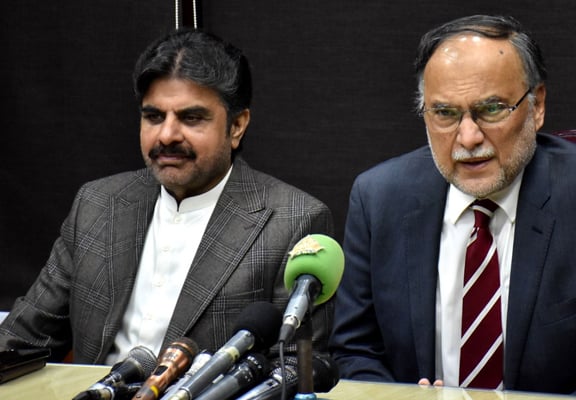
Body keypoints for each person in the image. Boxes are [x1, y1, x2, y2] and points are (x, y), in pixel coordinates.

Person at [329, 14, 576, 400]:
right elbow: (354, 352)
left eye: (492, 109)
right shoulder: (379, 198)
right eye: (445, 113)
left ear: (536, 106)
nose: (468, 138)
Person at [0, 29, 334, 365]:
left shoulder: (293, 221)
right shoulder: (98, 205)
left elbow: (294, 372)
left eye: (191, 118)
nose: (168, 135)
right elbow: (23, 338)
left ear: (237, 126)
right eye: (153, 116)